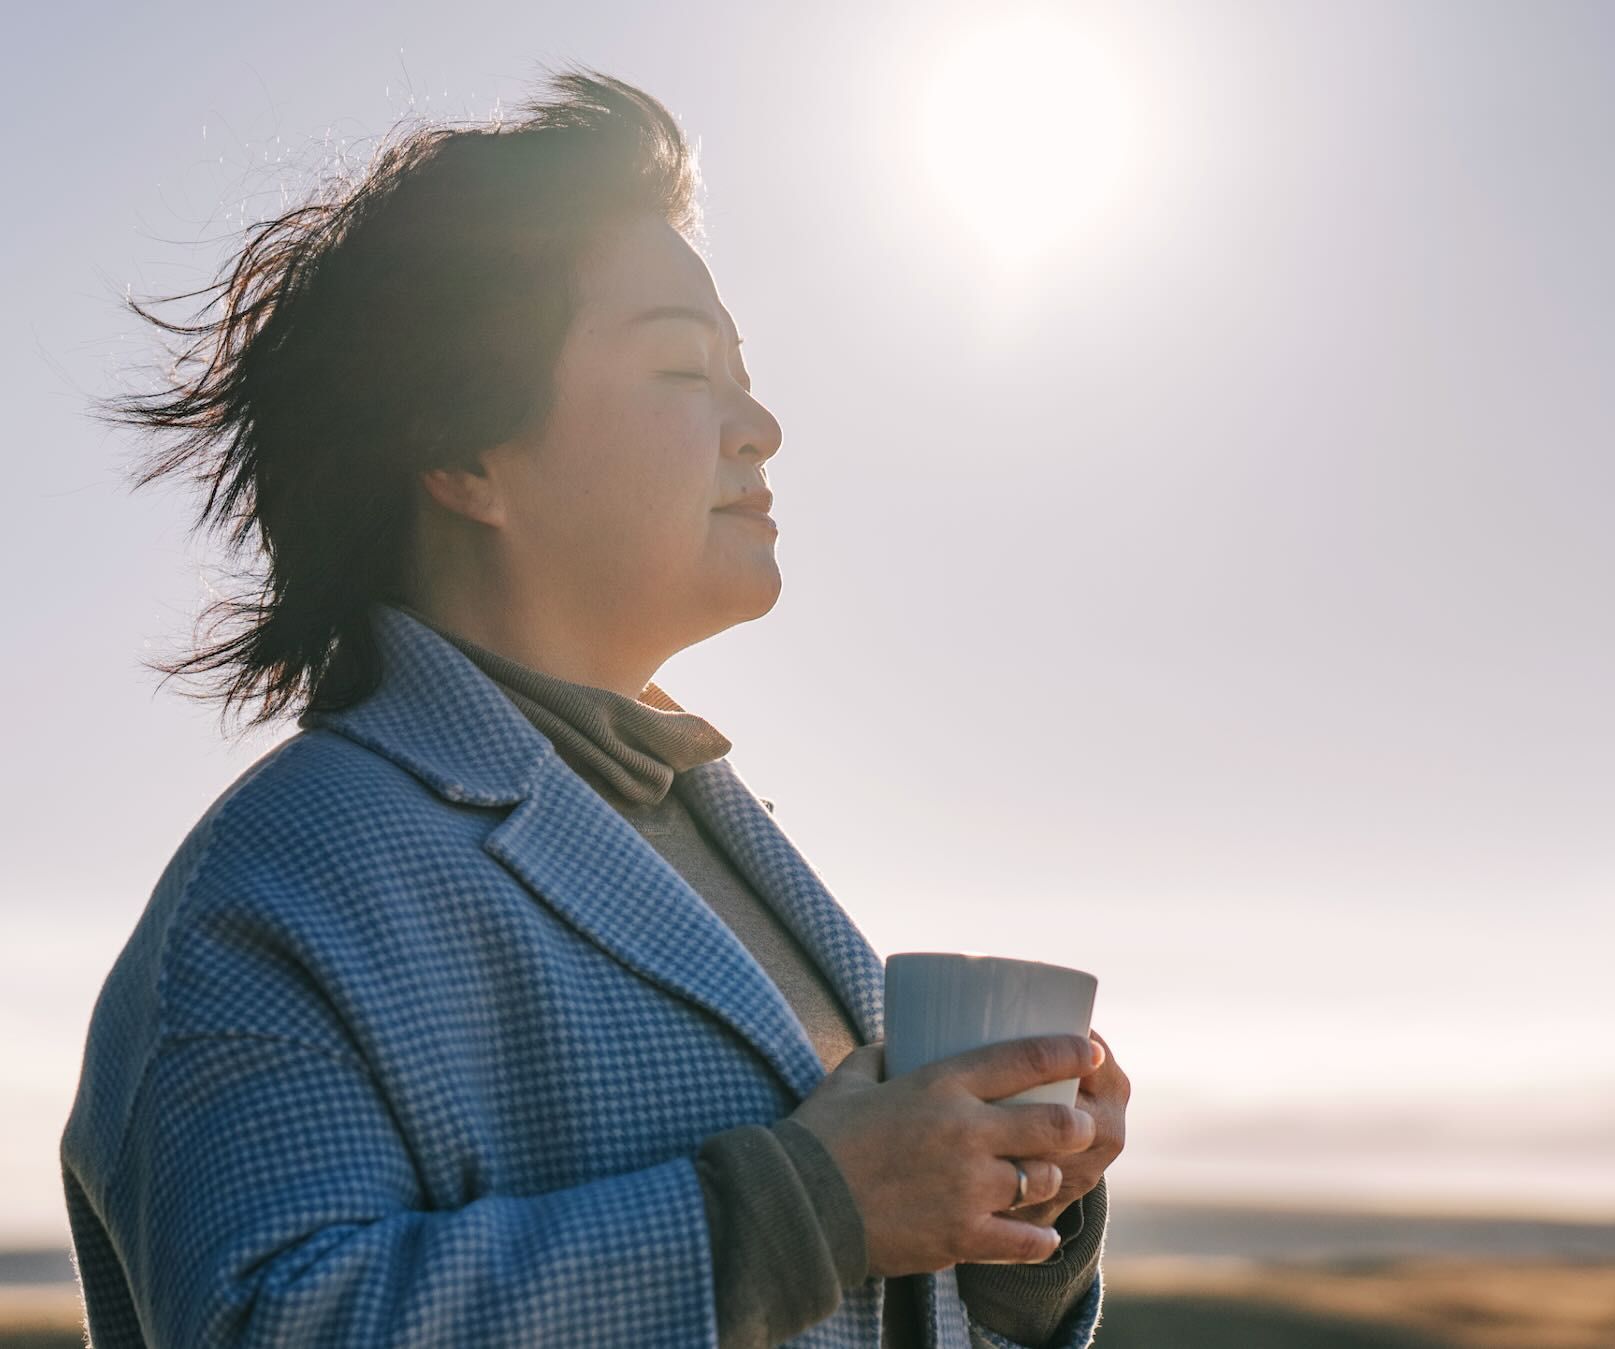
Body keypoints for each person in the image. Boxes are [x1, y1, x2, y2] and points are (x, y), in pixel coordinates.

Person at [57, 67, 1128, 1349]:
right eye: (686, 366)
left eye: (746, 371)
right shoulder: (284, 883)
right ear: (460, 448)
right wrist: (813, 1204)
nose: (763, 425)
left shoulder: (701, 823)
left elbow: (850, 1280)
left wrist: (1013, 1235)